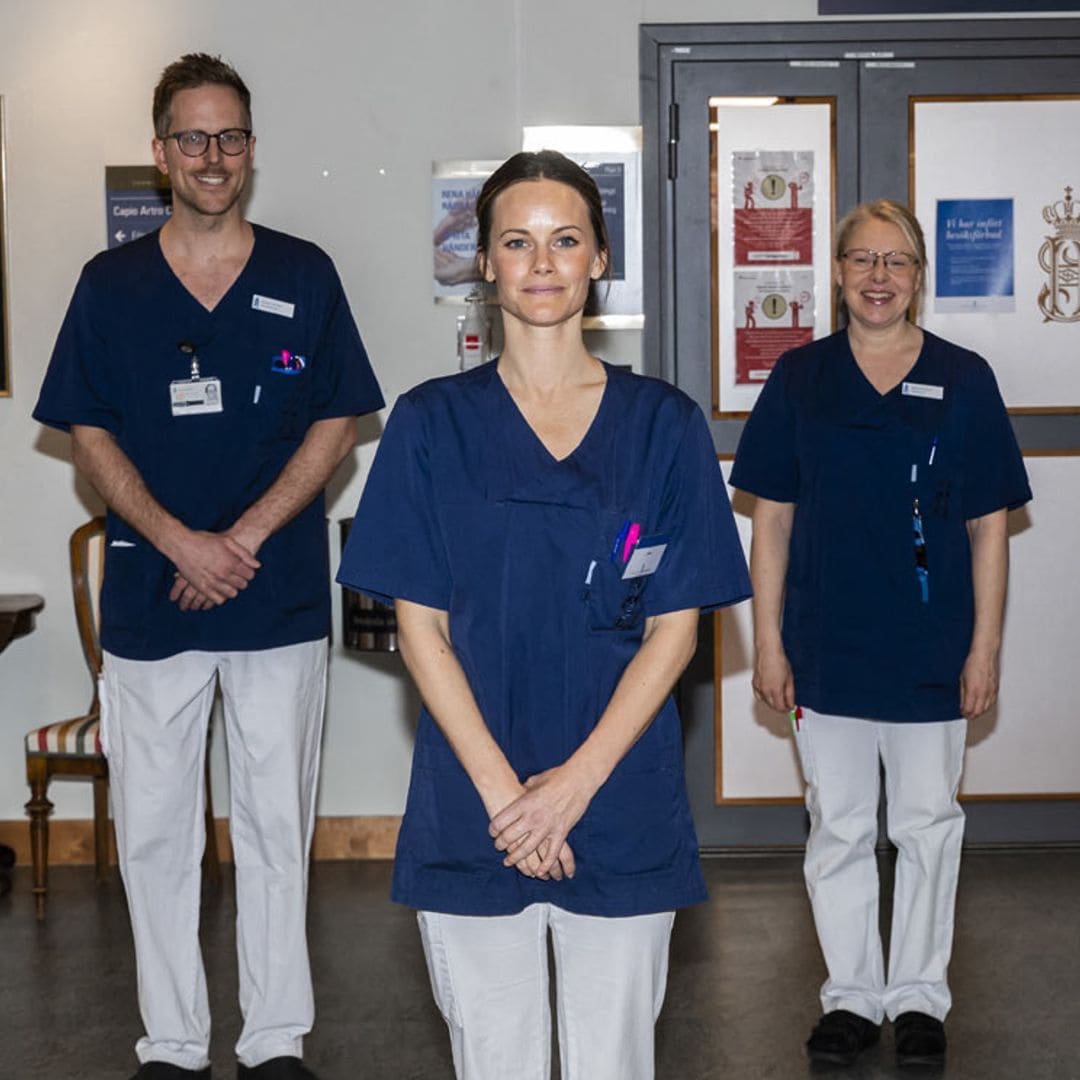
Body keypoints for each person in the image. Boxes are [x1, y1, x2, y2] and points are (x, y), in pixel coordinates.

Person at [337, 150, 751, 1080]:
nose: (542, 263)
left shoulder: (665, 424)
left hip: (621, 793)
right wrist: (509, 801)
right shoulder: (429, 424)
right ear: (484, 262)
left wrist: (567, 791)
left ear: (599, 257)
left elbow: (677, 629)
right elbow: (420, 627)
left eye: (565, 240)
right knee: (495, 1061)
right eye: (516, 242)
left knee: (614, 1061)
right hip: (473, 801)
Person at [34, 53, 383, 1080]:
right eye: (192, 137)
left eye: (229, 137)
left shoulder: (303, 273)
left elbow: (338, 420)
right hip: (152, 597)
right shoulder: (112, 286)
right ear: (160, 153)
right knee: (155, 838)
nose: (213, 156)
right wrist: (184, 541)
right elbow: (87, 432)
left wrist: (244, 540)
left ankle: (274, 1039)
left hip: (273, 598)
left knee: (277, 829)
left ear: (251, 150)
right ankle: (173, 1044)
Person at [730, 200, 1031, 1069]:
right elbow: (772, 522)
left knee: (930, 822)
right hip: (825, 645)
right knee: (840, 826)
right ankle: (854, 995)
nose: (878, 277)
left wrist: (985, 649)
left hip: (932, 647)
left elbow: (988, 529)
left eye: (896, 262)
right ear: (834, 272)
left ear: (919, 275)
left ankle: (919, 998)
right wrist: (771, 643)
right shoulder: (799, 378)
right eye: (861, 259)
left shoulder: (965, 379)